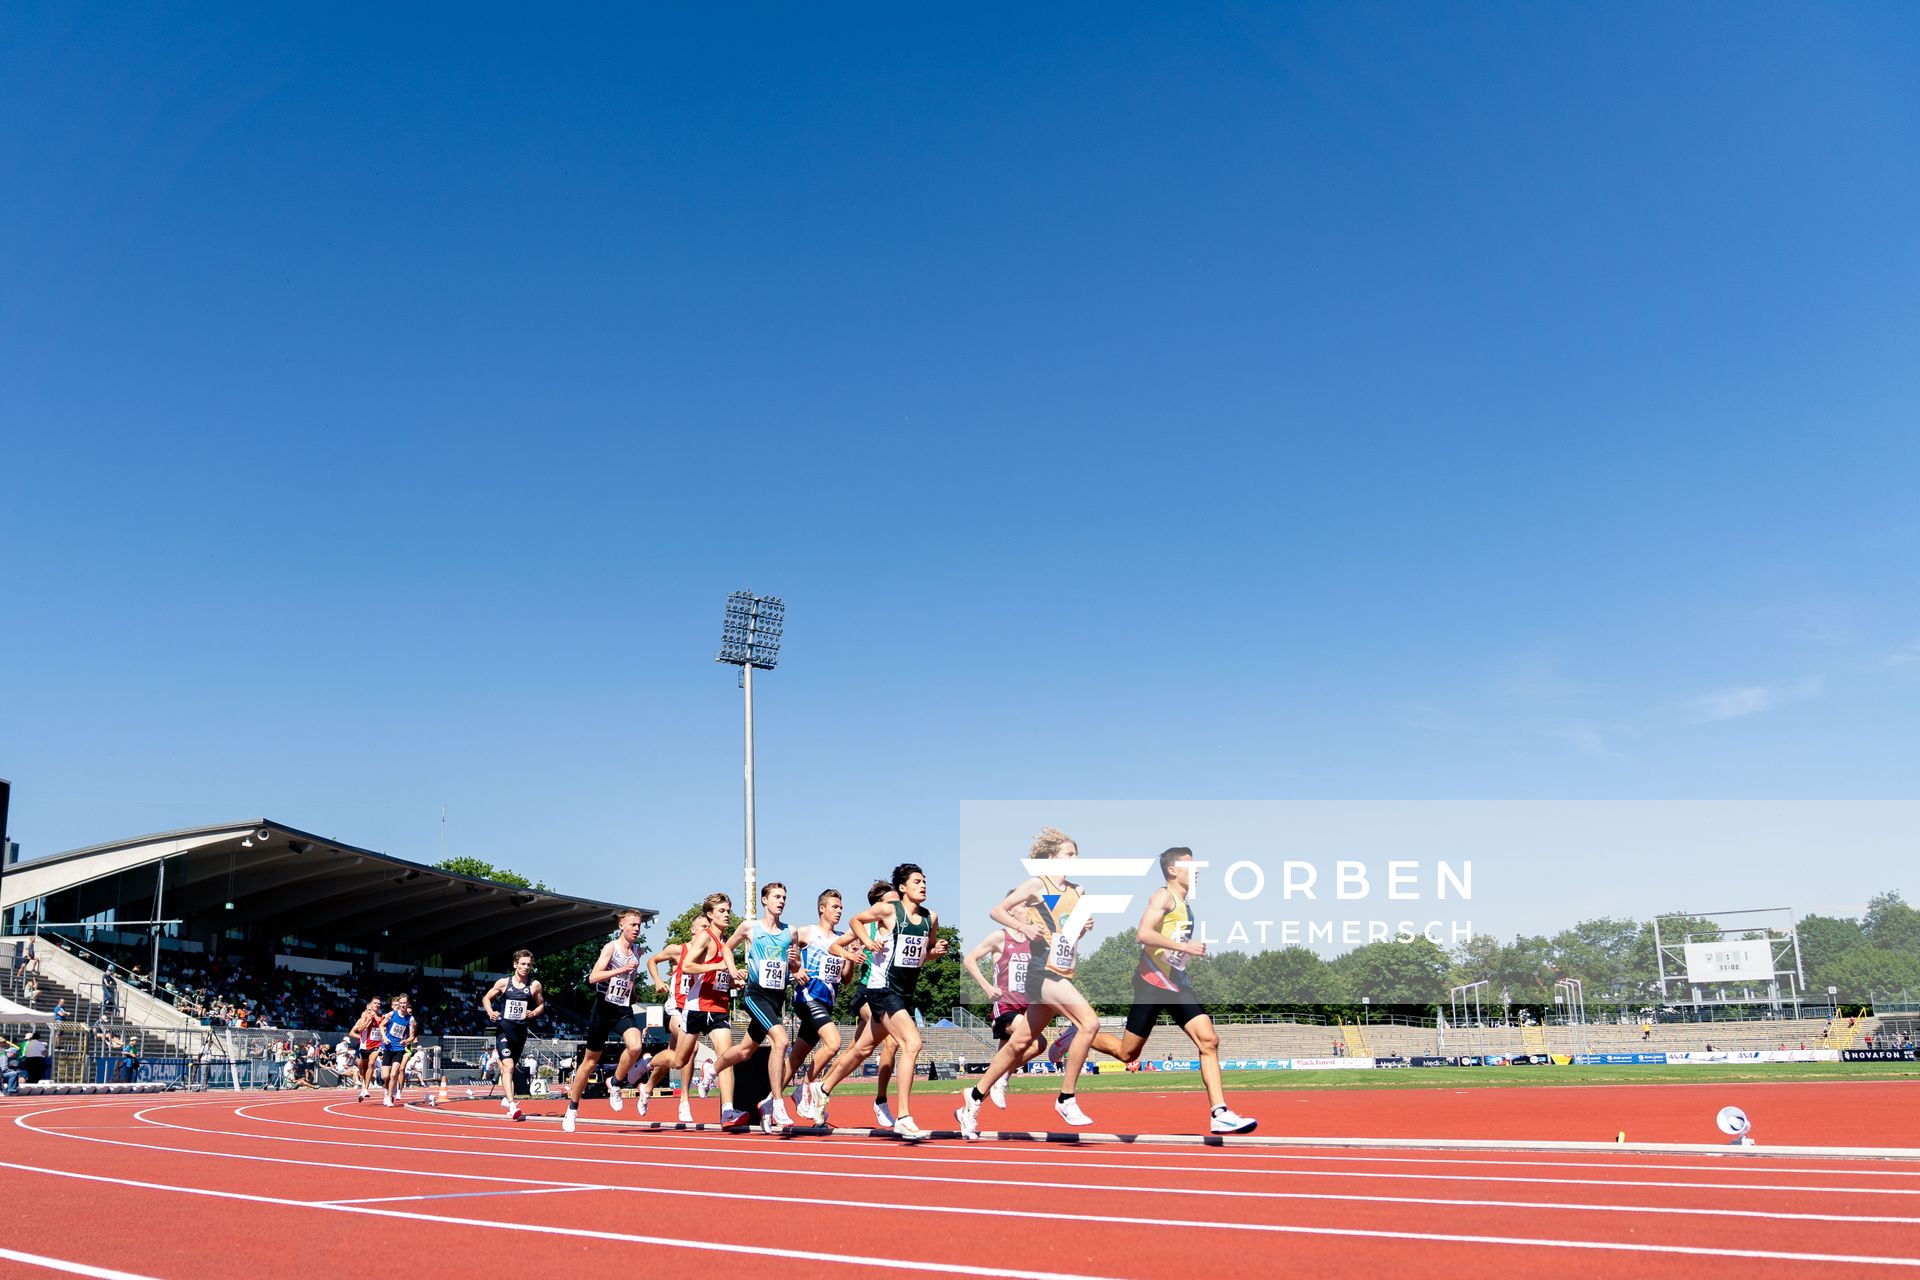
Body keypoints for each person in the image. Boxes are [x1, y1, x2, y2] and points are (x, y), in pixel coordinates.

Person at [1075, 847, 1252, 1134]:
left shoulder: (1185, 903)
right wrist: (1185, 947)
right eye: (1190, 865)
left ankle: (1219, 1112)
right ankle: (1078, 1035)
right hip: (1152, 983)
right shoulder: (1163, 897)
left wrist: (1180, 956)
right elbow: (1142, 933)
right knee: (1127, 1054)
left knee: (1209, 1040)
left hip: (1177, 984)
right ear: (1172, 870)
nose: (1197, 871)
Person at [958, 826, 1104, 1139]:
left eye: (1076, 854)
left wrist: (1084, 926)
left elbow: (1068, 931)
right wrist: (1023, 928)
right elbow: (997, 910)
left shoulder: (1078, 891)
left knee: (1020, 1043)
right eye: (1068, 854)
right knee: (1089, 1024)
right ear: (1051, 857)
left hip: (1063, 969)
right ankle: (1066, 1099)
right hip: (1042, 973)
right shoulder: (1038, 884)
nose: (1074, 859)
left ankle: (973, 1098)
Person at [805, 863, 948, 1141]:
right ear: (902, 888)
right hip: (882, 989)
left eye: (925, 881)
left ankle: (822, 1089)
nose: (924, 885)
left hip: (904, 993)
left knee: (863, 1049)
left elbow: (925, 952)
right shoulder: (888, 911)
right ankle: (904, 1117)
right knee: (912, 1043)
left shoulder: (931, 917)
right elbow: (855, 921)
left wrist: (937, 951)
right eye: (917, 881)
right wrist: (867, 944)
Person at [796, 881, 903, 1129]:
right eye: (892, 902)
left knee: (856, 1051)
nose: (897, 907)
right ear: (880, 905)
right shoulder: (866, 927)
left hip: (890, 993)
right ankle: (881, 1101)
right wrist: (853, 952)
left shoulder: (900, 927)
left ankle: (822, 1091)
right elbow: (835, 947)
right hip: (867, 993)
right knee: (892, 1040)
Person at [712, 882, 799, 1132]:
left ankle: (712, 1069)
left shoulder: (790, 932)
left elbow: (794, 966)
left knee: (745, 1051)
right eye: (776, 897)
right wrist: (732, 971)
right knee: (780, 1041)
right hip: (755, 994)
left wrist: (794, 963)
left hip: (777, 997)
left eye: (784, 897)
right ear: (764, 900)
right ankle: (776, 1103)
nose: (781, 901)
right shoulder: (750, 927)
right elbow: (727, 947)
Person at [561, 909, 648, 1134]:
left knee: (636, 1046)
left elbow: (629, 980)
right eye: (632, 925)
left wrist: (634, 992)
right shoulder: (611, 948)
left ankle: (616, 1083)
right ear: (621, 926)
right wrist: (620, 970)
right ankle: (572, 1109)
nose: (637, 928)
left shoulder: (638, 951)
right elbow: (593, 977)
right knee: (589, 1062)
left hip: (622, 1008)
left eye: (639, 925)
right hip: (602, 1009)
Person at [668, 893, 746, 1126]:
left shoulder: (727, 944)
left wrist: (735, 979)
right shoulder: (705, 937)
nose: (727, 915)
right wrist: (719, 964)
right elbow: (688, 967)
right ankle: (648, 1064)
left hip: (719, 1007)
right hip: (697, 1007)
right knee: (678, 1060)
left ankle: (727, 1110)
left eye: (729, 911)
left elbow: (720, 977)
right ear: (710, 915)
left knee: (726, 1057)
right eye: (722, 911)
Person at [961, 917, 1050, 1107]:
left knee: (997, 1067)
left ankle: (968, 1110)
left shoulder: (1036, 942)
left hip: (1027, 1007)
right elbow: (969, 960)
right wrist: (986, 987)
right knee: (1038, 1043)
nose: (1028, 914)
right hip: (1005, 1006)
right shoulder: (1000, 937)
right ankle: (1003, 1077)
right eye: (1023, 907)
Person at [786, 889, 849, 1113]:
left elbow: (847, 979)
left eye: (841, 907)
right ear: (822, 908)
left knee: (796, 1058)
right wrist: (796, 970)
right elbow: (785, 947)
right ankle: (804, 1090)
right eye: (835, 906)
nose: (839, 911)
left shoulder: (842, 939)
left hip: (826, 1002)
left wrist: (850, 958)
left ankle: (768, 1100)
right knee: (833, 1043)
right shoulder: (808, 932)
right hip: (807, 997)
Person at [482, 949, 544, 1122]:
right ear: (515, 964)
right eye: (522, 964)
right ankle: (512, 1104)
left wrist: (534, 1013)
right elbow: (486, 998)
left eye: (529, 965)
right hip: (504, 1030)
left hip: (520, 1033)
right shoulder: (504, 983)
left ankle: (506, 1100)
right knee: (508, 1067)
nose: (526, 967)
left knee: (508, 1069)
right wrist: (490, 1012)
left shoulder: (534, 985)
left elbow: (541, 1005)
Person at [377, 992, 418, 1107]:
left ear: (408, 1003)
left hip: (399, 1048)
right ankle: (386, 1090)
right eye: (401, 1003)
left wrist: (406, 1041)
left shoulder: (410, 1019)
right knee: (385, 1076)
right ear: (398, 1004)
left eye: (405, 1003)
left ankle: (390, 1097)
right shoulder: (392, 1014)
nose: (403, 1005)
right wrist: (384, 1037)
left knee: (394, 1073)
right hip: (388, 1047)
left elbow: (412, 1036)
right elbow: (381, 1026)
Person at [350, 997, 385, 1100]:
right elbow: (358, 1030)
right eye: (375, 1003)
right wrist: (368, 1021)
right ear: (369, 1006)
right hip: (365, 1046)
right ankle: (363, 1087)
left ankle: (366, 1089)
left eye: (379, 1003)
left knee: (371, 1064)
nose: (377, 1005)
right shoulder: (365, 1016)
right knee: (364, 1068)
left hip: (376, 1045)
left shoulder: (381, 1017)